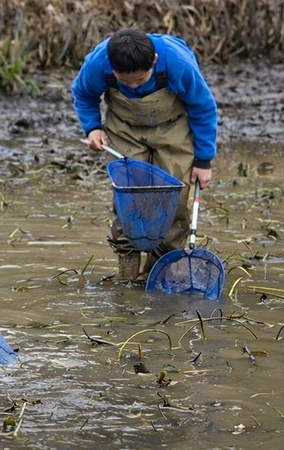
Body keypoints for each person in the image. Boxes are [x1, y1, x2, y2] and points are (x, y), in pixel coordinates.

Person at [71, 28, 218, 284]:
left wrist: (204, 161)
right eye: (125, 81)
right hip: (124, 128)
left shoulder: (177, 62)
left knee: (175, 195)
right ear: (112, 67)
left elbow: (203, 107)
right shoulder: (98, 63)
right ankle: (128, 275)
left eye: (140, 80)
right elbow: (83, 93)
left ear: (154, 61)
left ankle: (157, 274)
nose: (133, 86)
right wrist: (92, 127)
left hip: (173, 127)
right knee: (130, 196)